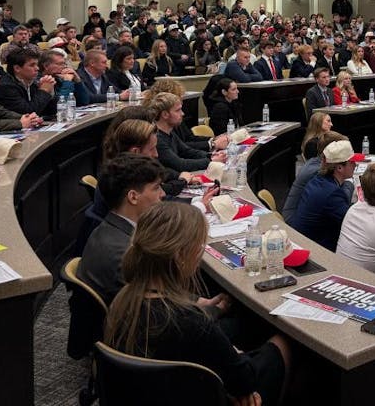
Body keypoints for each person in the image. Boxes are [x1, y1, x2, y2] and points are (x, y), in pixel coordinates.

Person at [103, 202, 289, 405]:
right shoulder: (192, 322)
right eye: (199, 245)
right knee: (284, 342)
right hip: (189, 395)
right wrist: (236, 355)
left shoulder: (122, 300)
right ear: (180, 256)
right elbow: (244, 380)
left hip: (147, 395)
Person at [78, 154, 165, 306]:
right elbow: (158, 308)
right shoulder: (125, 255)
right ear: (133, 197)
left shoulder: (107, 228)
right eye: (156, 188)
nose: (163, 194)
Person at [288, 139, 363, 251]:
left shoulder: (318, 179)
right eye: (352, 162)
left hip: (302, 240)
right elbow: (354, 223)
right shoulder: (332, 194)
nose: (355, 165)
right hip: (317, 250)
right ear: (339, 168)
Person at [150, 92, 225, 188]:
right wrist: (210, 160)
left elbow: (187, 151)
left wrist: (210, 155)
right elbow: (180, 164)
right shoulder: (157, 138)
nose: (182, 113)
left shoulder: (170, 132)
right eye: (178, 110)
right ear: (165, 114)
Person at [282, 132, 354, 222]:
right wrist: (349, 182)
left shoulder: (316, 162)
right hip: (292, 219)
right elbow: (339, 200)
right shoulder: (317, 172)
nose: (355, 165)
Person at [0, 47, 57, 117]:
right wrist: (44, 90)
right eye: (32, 65)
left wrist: (50, 91)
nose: (37, 68)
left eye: (37, 65)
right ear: (17, 68)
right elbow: (27, 113)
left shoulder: (32, 83)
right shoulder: (5, 87)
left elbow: (50, 112)